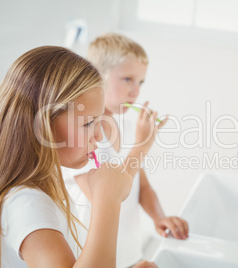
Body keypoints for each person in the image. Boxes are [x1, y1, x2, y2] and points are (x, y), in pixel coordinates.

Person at [0, 46, 159, 268]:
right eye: (88, 123)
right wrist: (108, 199)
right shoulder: (26, 204)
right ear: (42, 126)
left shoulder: (39, 192)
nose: (98, 136)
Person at [62, 33, 189, 268]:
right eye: (127, 79)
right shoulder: (84, 136)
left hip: (130, 256)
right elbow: (105, 196)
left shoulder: (129, 127)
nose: (136, 91)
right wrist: (141, 147)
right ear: (97, 76)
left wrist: (159, 217)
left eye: (140, 82)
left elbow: (142, 187)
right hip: (94, 259)